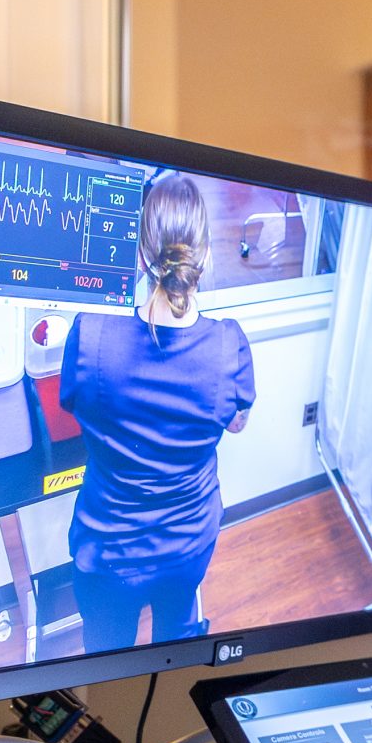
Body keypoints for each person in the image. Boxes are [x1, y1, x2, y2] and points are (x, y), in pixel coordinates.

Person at [59, 172, 255, 654]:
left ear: (142, 258)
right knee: (176, 651)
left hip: (108, 555)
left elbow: (73, 405)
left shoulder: (90, 337)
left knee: (106, 658)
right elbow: (235, 421)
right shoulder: (229, 346)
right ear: (205, 256)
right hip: (188, 546)